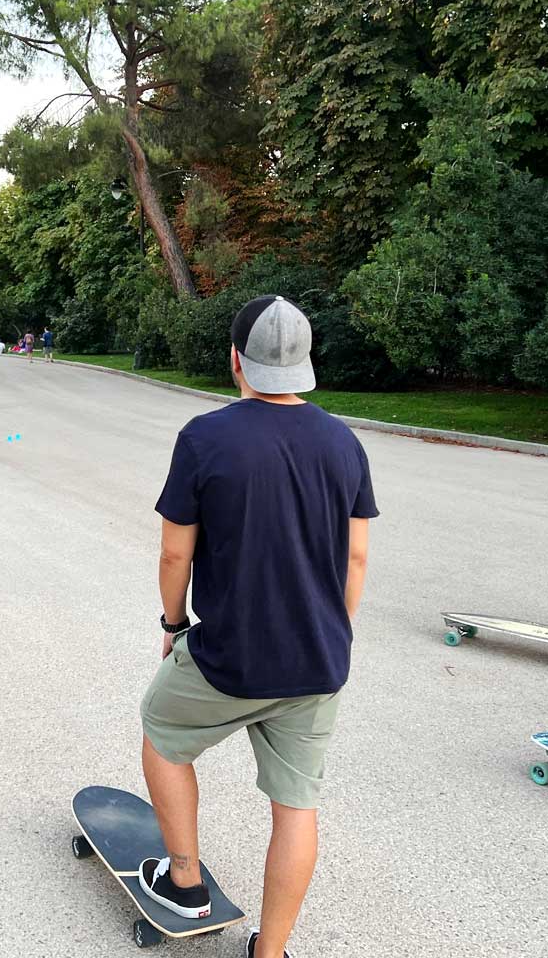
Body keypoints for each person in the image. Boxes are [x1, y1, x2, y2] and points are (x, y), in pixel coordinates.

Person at [138, 295, 378, 957]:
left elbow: (174, 552)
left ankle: (184, 881)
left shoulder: (204, 438)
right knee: (296, 804)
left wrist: (172, 622)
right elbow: (356, 556)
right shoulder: (344, 441)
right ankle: (268, 952)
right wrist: (335, 630)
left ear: (236, 360)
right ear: (303, 364)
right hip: (317, 661)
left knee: (162, 732)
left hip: (229, 658)